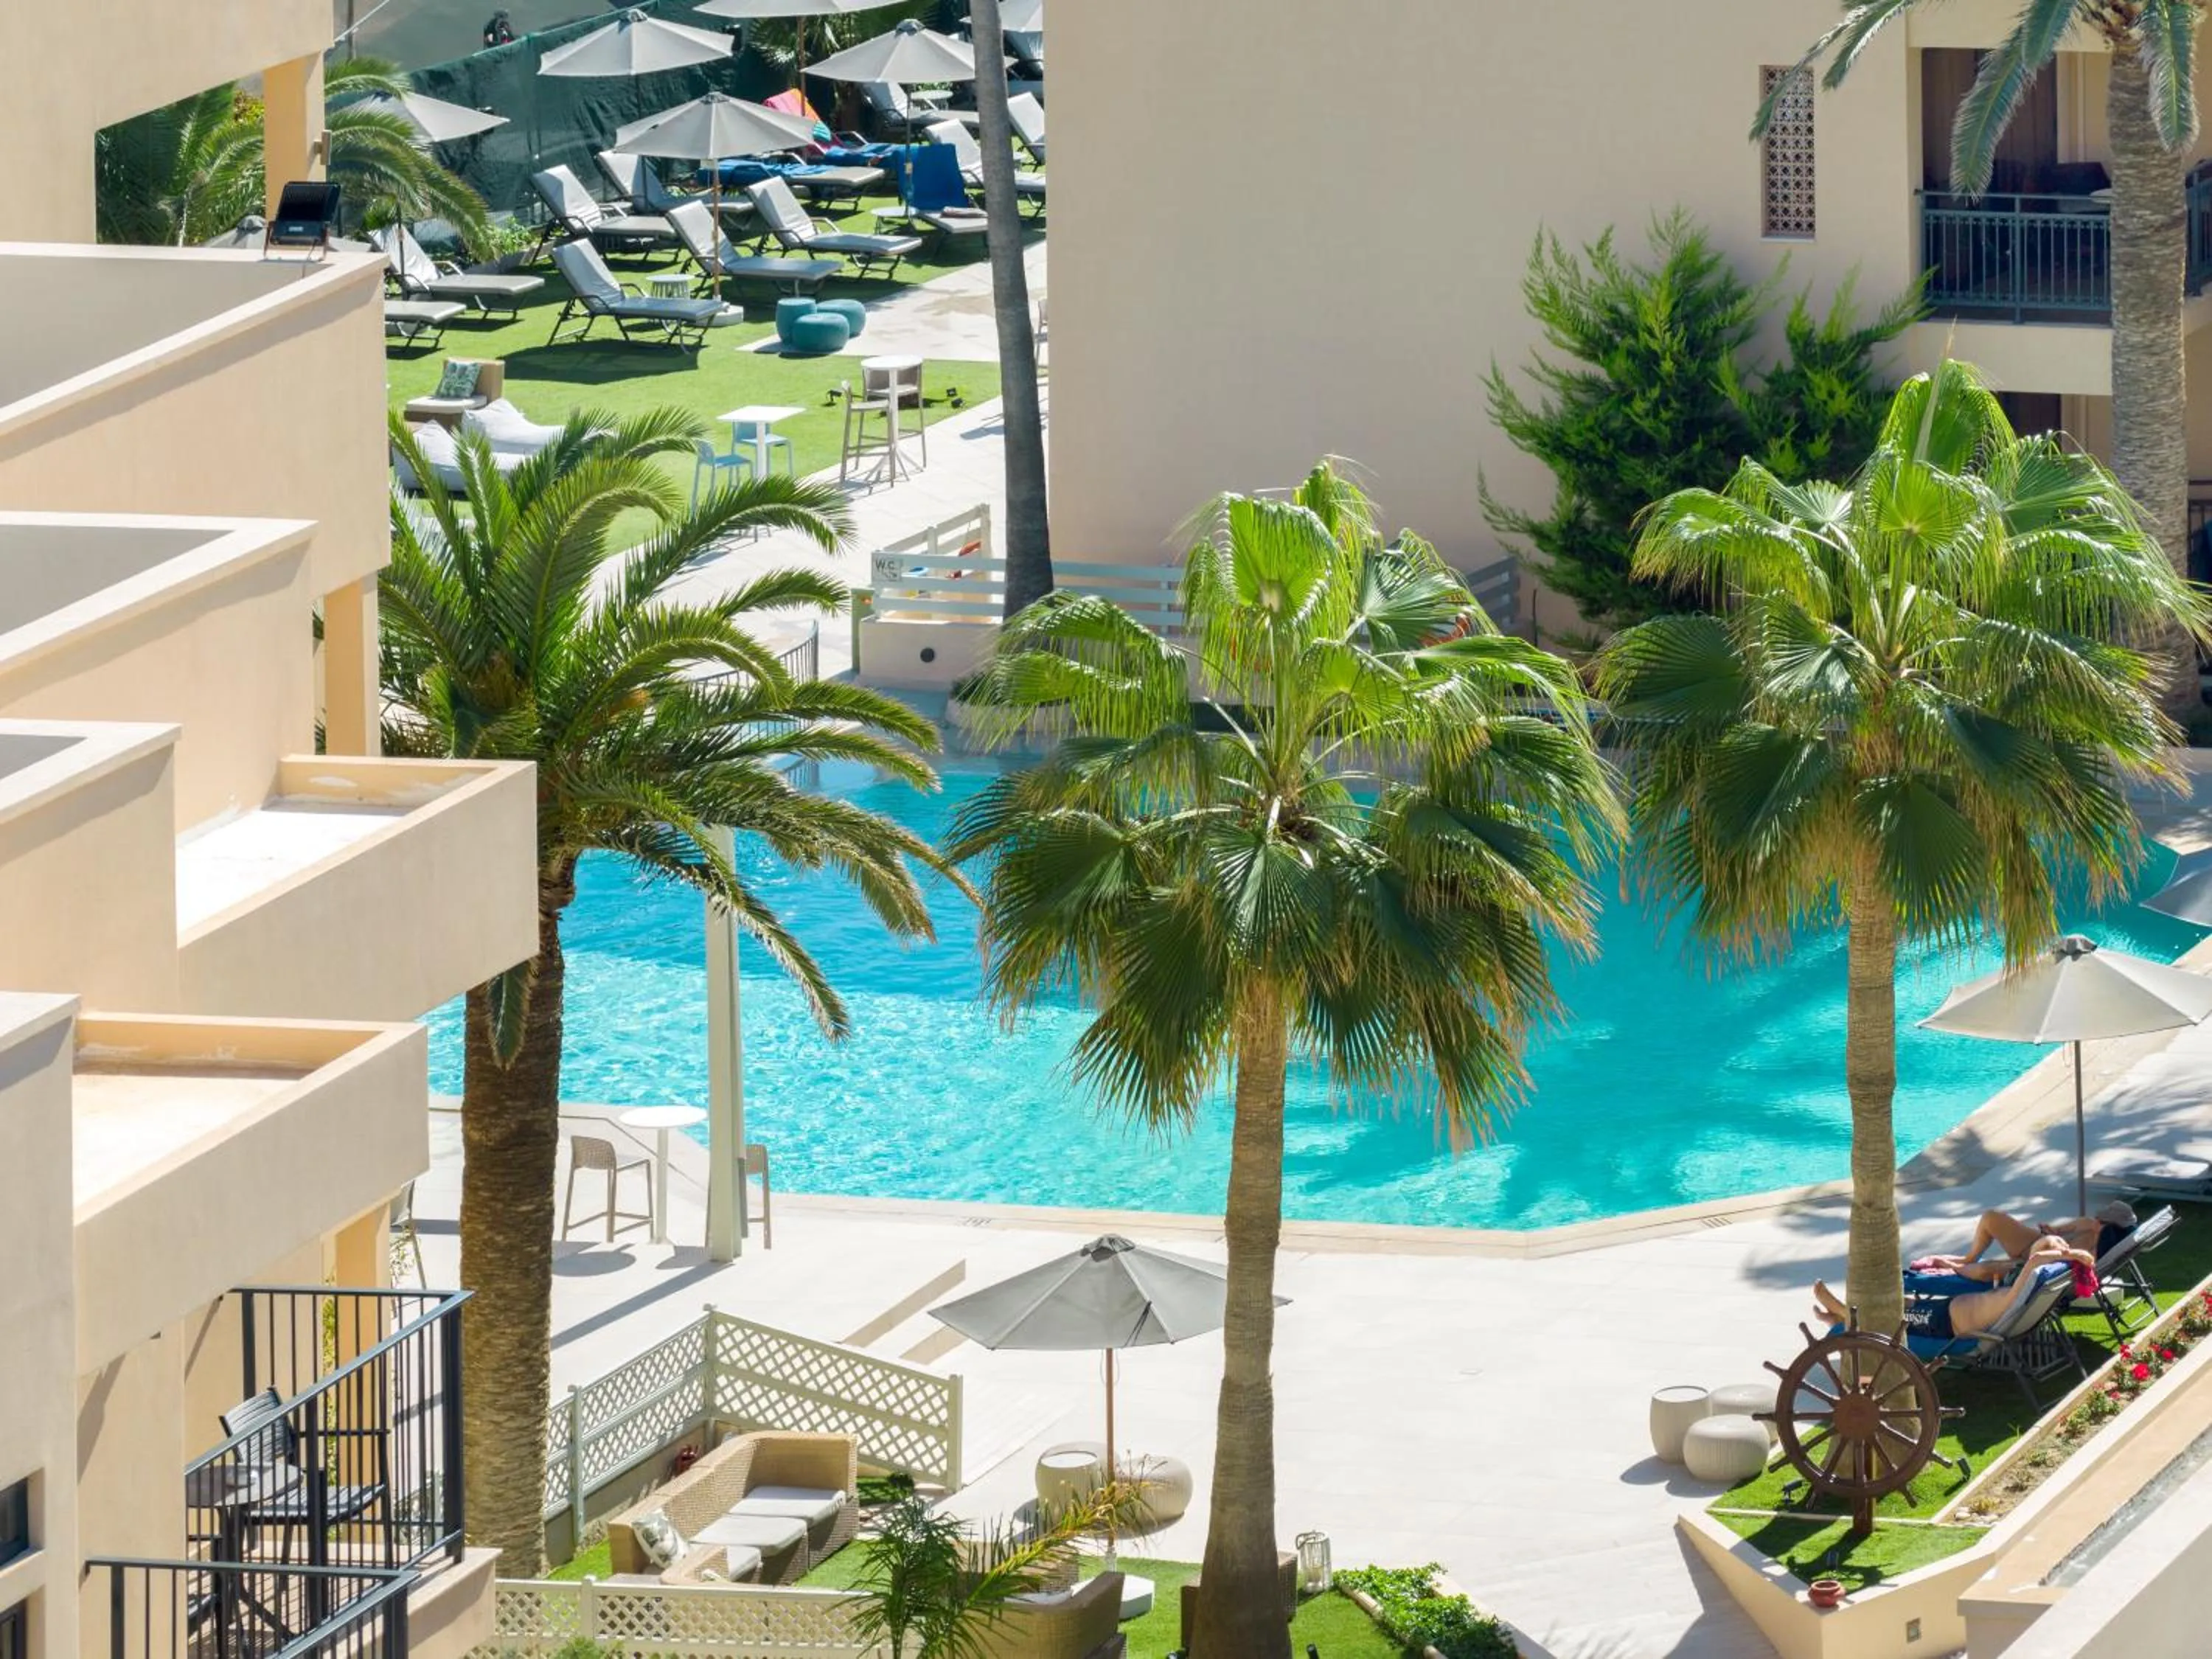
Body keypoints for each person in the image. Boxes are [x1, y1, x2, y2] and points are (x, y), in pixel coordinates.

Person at [1812, 1234, 2096, 1346]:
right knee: (1905, 1302)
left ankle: (1843, 1316)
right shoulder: (2023, 1285)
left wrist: (2072, 1255)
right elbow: (2032, 1260)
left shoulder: (2023, 1284)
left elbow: (2035, 1260)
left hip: (1945, 1326)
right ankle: (1839, 1317)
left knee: (1891, 1319)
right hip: (1946, 1313)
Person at [1918, 1200, 2137, 1275]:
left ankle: (1953, 1267)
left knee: (1987, 1270)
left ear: (2111, 1227)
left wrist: (2057, 1244)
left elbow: (2080, 1264)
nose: (2096, 1220)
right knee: (1991, 1218)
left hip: (2041, 1262)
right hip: (2035, 1243)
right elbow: (2058, 1231)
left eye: (2102, 1221)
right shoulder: (2088, 1224)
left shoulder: (2098, 1250)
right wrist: (2052, 1231)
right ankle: (1968, 1259)